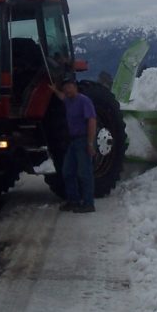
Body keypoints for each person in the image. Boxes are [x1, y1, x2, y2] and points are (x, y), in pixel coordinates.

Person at [50, 72, 97, 213]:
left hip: (83, 141)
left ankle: (89, 203)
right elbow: (62, 97)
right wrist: (54, 90)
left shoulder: (84, 101)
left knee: (84, 173)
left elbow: (92, 121)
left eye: (70, 86)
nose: (67, 90)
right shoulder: (68, 100)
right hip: (73, 141)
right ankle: (73, 200)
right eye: (65, 87)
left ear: (75, 87)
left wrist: (90, 143)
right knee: (67, 172)